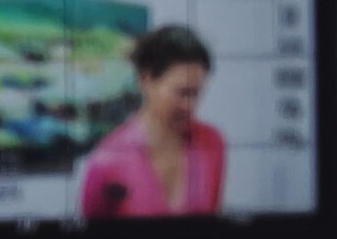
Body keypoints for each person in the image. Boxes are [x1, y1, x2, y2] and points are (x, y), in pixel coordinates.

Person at [77, 24, 226, 218]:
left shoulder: (211, 142)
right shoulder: (107, 161)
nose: (190, 106)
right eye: (182, 93)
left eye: (196, 93)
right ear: (146, 80)